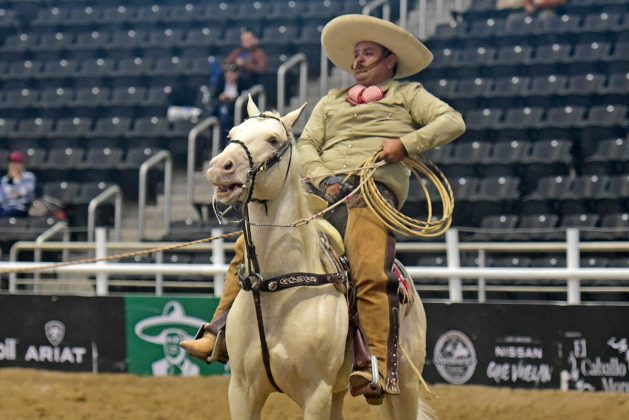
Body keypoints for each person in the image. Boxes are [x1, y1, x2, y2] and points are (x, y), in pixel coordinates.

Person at [181, 15, 465, 402]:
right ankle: (220, 330)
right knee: (250, 246)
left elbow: (452, 121)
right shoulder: (331, 101)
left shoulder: (408, 94)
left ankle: (375, 362)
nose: (359, 60)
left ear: (389, 62)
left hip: (371, 190)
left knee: (367, 266)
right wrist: (323, 177)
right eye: (357, 54)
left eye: (368, 53)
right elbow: (308, 144)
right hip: (320, 189)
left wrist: (404, 145)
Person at [212, 63, 246, 145]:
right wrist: (221, 97)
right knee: (214, 113)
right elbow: (215, 95)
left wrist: (234, 99)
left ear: (237, 74)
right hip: (222, 105)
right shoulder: (221, 81)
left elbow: (245, 96)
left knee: (225, 113)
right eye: (227, 73)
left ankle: (226, 142)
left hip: (237, 107)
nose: (230, 75)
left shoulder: (243, 82)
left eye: (232, 73)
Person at [0, 151, 36, 218]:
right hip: (5, 208)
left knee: (8, 214)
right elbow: (1, 198)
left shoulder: (29, 176)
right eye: (11, 163)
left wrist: (17, 179)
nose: (13, 165)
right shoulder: (4, 179)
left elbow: (22, 192)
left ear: (22, 165)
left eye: (16, 163)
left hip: (20, 209)